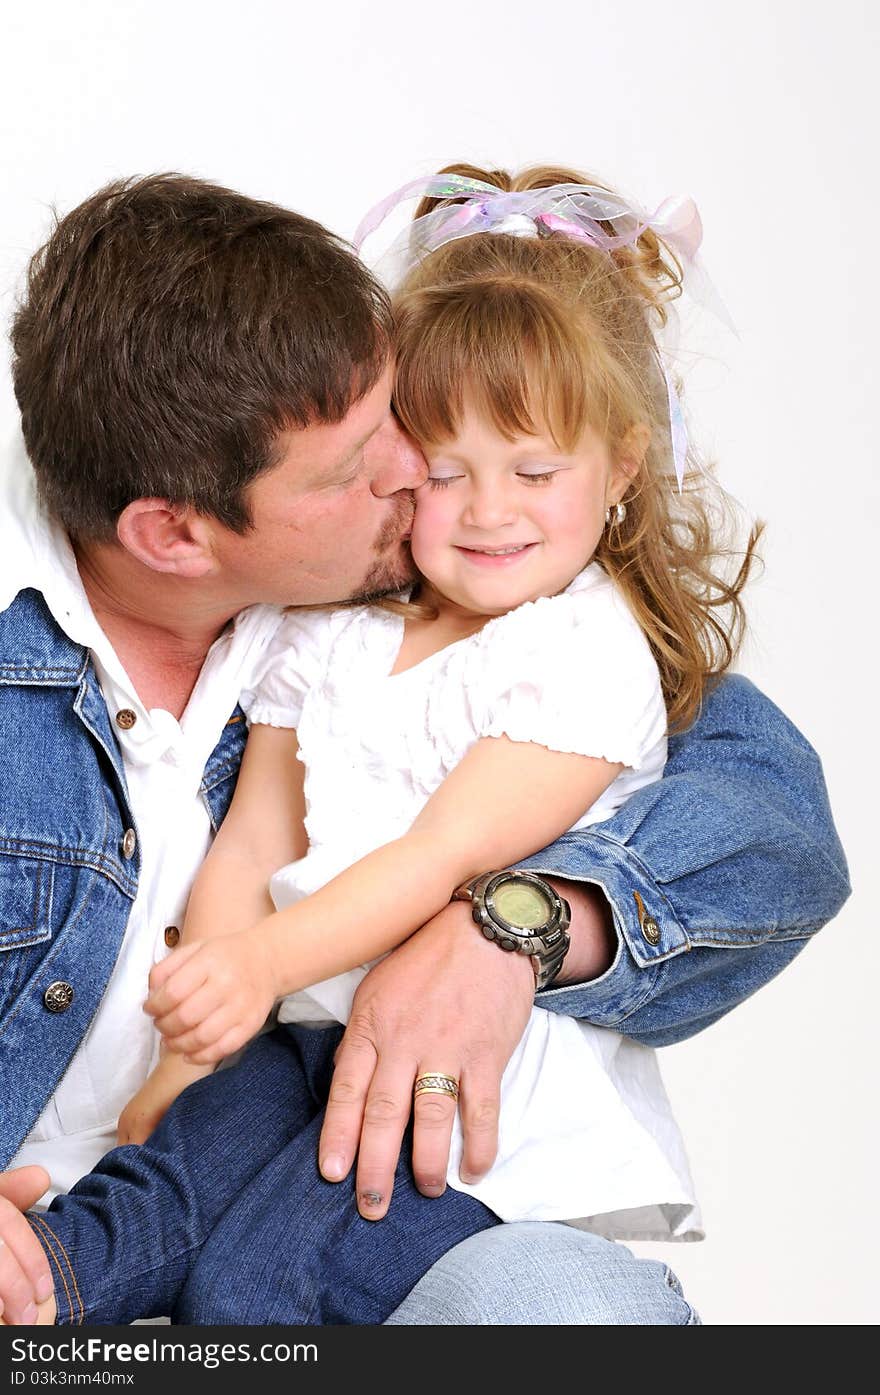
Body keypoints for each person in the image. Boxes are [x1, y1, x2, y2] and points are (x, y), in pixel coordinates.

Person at [0, 172, 849, 1327]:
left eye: (394, 424)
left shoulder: (527, 628)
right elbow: (258, 839)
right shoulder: (330, 628)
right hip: (142, 1157)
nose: (415, 480)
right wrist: (188, 1061)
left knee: (499, 1306)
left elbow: (777, 826)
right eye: (371, 467)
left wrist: (509, 928)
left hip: (434, 1147)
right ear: (174, 534)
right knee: (173, 1231)